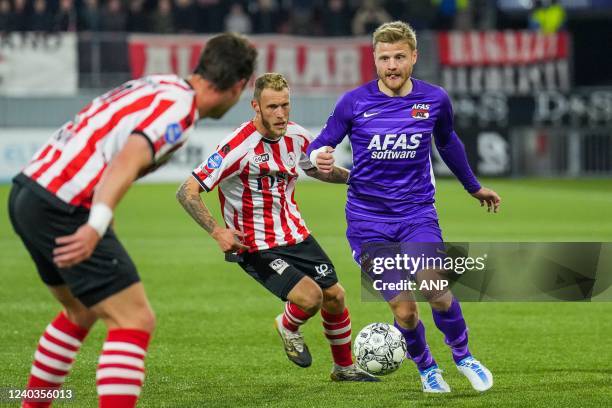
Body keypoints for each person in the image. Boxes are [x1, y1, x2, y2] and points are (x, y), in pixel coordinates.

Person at [8, 33, 256, 408]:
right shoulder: (180, 112)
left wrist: (101, 217)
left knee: (79, 310)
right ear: (240, 86)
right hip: (64, 202)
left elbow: (109, 141)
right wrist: (95, 223)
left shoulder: (161, 83)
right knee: (134, 320)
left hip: (29, 193)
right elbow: (127, 158)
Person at [307, 21, 500, 393]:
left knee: (436, 289)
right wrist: (319, 157)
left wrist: (473, 187)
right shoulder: (353, 102)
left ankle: (463, 356)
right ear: (374, 60)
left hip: (417, 215)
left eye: (399, 57)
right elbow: (317, 147)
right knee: (405, 311)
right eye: (384, 58)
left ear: (414, 56)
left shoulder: (435, 99)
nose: (392, 65)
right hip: (368, 222)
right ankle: (427, 368)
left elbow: (448, 143)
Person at [175, 73, 377, 382]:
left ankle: (344, 369)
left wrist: (357, 178)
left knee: (335, 295)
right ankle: (287, 325)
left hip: (295, 233)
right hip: (254, 245)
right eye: (272, 107)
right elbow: (186, 191)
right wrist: (218, 231)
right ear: (255, 106)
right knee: (311, 298)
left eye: (285, 105)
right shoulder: (237, 147)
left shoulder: (297, 136)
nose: (280, 114)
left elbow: (318, 171)